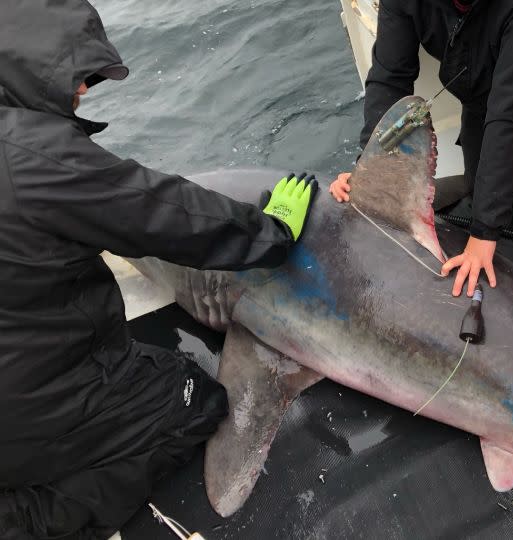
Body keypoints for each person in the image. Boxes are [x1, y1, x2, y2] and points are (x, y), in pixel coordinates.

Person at [0, 1, 316, 538]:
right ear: (35, 69)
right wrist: (272, 233)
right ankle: (25, 521)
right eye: (79, 78)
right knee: (194, 401)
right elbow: (165, 214)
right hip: (28, 404)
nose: (83, 92)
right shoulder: (33, 155)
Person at [328, 0, 513, 298]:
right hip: (480, 93)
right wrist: (369, 165)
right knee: (476, 183)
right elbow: (389, 77)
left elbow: (511, 116)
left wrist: (484, 233)